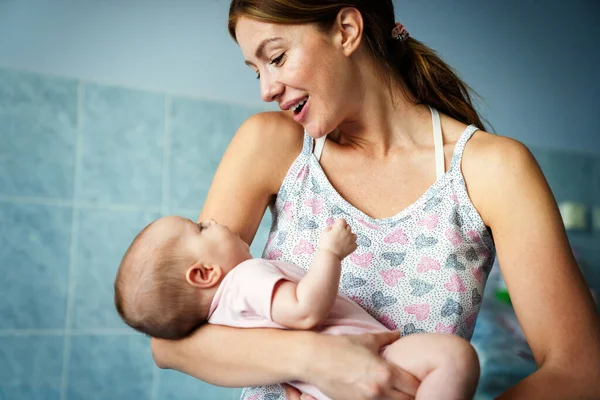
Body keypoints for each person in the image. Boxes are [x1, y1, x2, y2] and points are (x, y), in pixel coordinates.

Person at [150, 1, 600, 399]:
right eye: (256, 70)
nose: (266, 89)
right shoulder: (271, 144)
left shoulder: (492, 171)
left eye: (277, 57)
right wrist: (319, 360)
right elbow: (169, 340)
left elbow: (582, 372)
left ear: (347, 29)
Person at [115, 216, 479, 400]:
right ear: (205, 272)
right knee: (454, 357)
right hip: (372, 359)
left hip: (323, 389)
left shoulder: (223, 317)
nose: (212, 220)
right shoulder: (245, 279)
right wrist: (330, 253)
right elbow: (305, 310)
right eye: (200, 227)